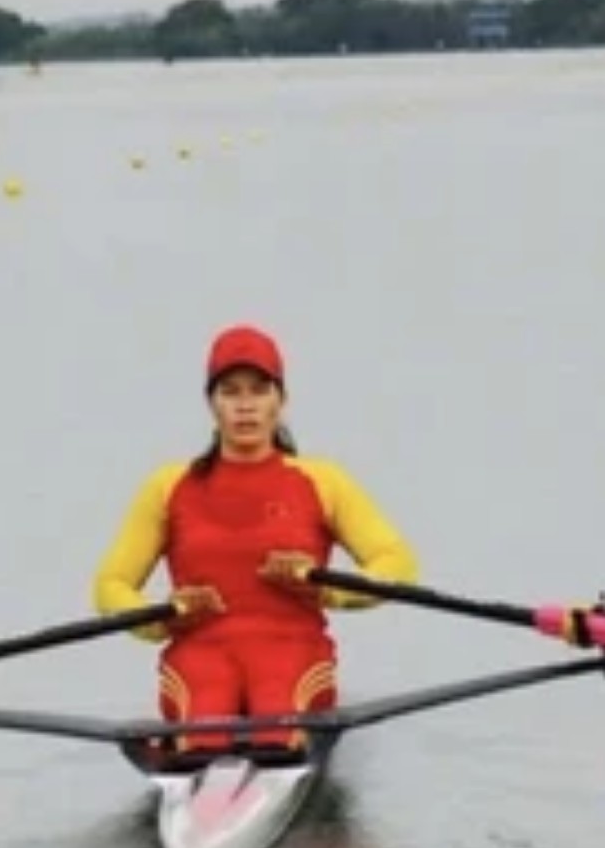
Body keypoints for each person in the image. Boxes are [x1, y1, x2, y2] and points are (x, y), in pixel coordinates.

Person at [92, 323, 419, 755]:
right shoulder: (168, 487)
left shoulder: (322, 481)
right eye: (230, 392)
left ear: (281, 400)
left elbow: (397, 563)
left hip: (292, 650)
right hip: (201, 653)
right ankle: (199, 762)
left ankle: (272, 752)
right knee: (206, 724)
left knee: (275, 723)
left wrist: (325, 588)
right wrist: (164, 617)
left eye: (259, 390)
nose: (245, 406)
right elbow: (110, 585)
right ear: (211, 403)